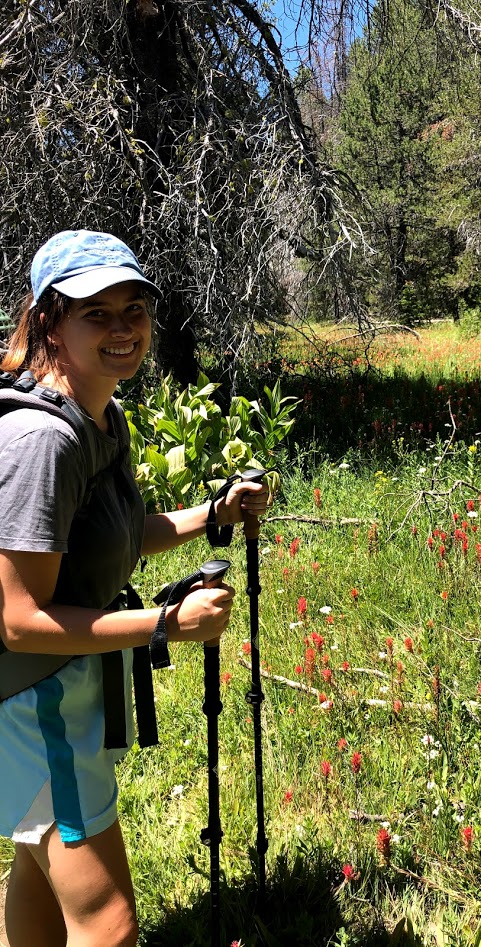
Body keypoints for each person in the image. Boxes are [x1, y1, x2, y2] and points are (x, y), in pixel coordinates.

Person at [0, 230, 269, 947]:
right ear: (49, 320)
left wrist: (209, 514)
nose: (123, 329)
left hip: (54, 687)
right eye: (97, 312)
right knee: (109, 924)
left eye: (134, 309)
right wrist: (164, 623)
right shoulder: (43, 442)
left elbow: (115, 534)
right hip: (34, 698)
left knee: (38, 868)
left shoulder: (98, 412)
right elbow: (20, 621)